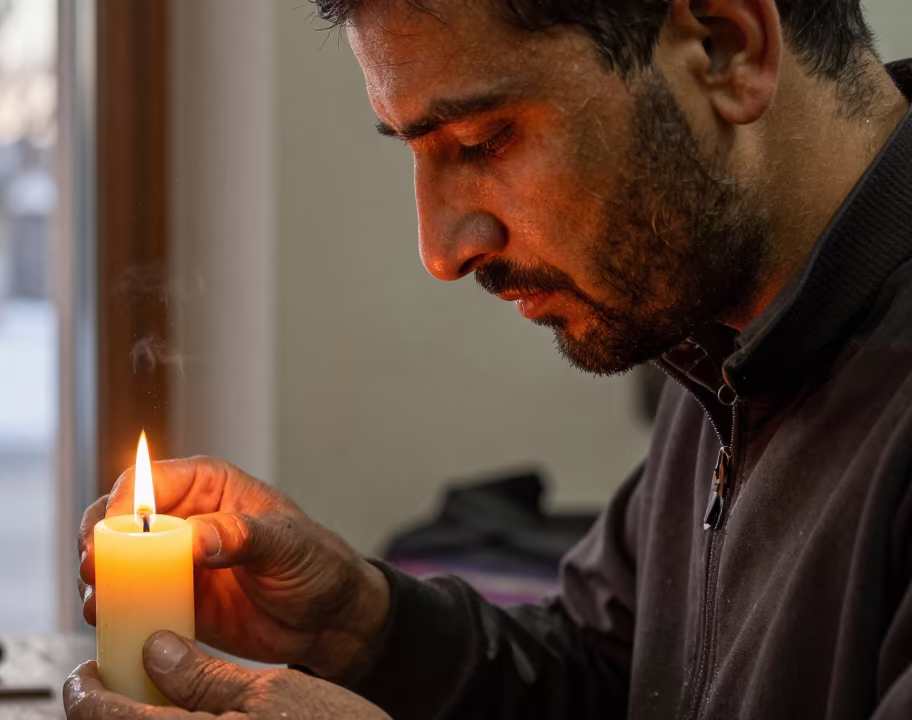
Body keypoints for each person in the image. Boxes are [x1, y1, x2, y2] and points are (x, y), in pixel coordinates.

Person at [64, 0, 912, 717]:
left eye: (481, 141)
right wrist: (359, 625)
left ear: (727, 49)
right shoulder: (722, 336)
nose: (441, 251)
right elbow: (603, 682)